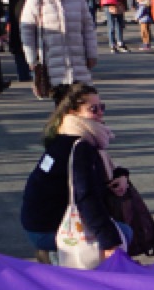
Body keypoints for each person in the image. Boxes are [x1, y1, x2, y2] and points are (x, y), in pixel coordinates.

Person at [22, 85, 131, 264]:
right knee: (124, 233)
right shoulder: (79, 146)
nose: (100, 113)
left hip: (37, 223)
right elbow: (86, 196)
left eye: (101, 107)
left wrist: (121, 175)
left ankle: (53, 255)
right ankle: (58, 258)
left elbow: (100, 170)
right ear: (73, 111)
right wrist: (109, 241)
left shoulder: (64, 134)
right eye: (93, 109)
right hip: (48, 228)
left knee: (118, 228)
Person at [20, 0, 98, 98]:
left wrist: (92, 53)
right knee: (62, 108)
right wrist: (32, 59)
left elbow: (88, 27)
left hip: (78, 63)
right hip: (52, 65)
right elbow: (27, 31)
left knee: (80, 107)